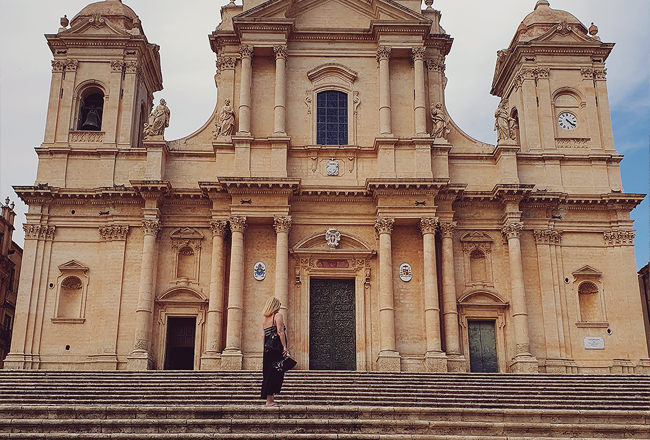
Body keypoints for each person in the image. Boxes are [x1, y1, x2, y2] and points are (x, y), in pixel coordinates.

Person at [261, 296, 288, 407]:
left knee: (268, 374)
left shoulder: (264, 319)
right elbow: (280, 332)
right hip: (276, 349)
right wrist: (285, 347)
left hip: (267, 350)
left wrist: (264, 349)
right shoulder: (278, 316)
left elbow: (263, 335)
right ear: (276, 305)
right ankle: (270, 401)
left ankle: (269, 400)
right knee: (276, 373)